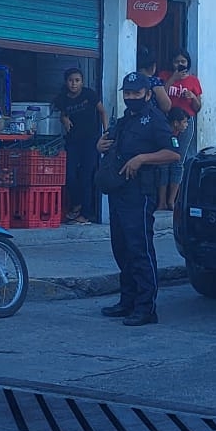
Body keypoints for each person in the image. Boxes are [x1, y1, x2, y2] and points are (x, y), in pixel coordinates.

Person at [98, 72, 180, 326]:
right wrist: (100, 144)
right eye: (127, 93)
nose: (131, 98)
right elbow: (110, 144)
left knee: (139, 249)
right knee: (121, 248)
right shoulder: (124, 120)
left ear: (147, 94)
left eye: (136, 93)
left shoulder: (155, 120)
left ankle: (146, 308)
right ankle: (127, 301)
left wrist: (143, 158)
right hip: (119, 190)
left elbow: (173, 154)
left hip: (140, 193)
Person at [53, 68, 108, 225]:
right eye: (71, 80)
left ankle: (86, 214)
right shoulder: (63, 99)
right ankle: (76, 204)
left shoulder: (89, 94)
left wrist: (106, 132)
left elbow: (102, 112)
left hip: (91, 142)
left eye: (77, 80)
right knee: (69, 174)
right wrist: (63, 119)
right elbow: (62, 114)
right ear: (66, 82)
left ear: (82, 82)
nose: (74, 84)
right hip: (73, 142)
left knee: (86, 176)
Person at [158, 50, 203, 209]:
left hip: (185, 124)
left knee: (178, 161)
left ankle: (172, 200)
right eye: (177, 61)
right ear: (172, 63)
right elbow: (159, 93)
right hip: (166, 123)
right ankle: (161, 201)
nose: (180, 64)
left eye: (183, 61)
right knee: (163, 161)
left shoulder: (193, 81)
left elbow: (198, 108)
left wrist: (192, 97)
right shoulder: (164, 76)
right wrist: (173, 79)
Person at [157, 107, 191, 211]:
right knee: (163, 167)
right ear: (176, 123)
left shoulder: (177, 133)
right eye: (184, 122)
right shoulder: (164, 133)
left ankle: (171, 201)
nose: (186, 125)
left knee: (177, 166)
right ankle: (162, 202)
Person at [136, 47, 171, 113]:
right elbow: (166, 106)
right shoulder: (154, 82)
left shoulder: (133, 80)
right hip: (152, 118)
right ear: (153, 67)